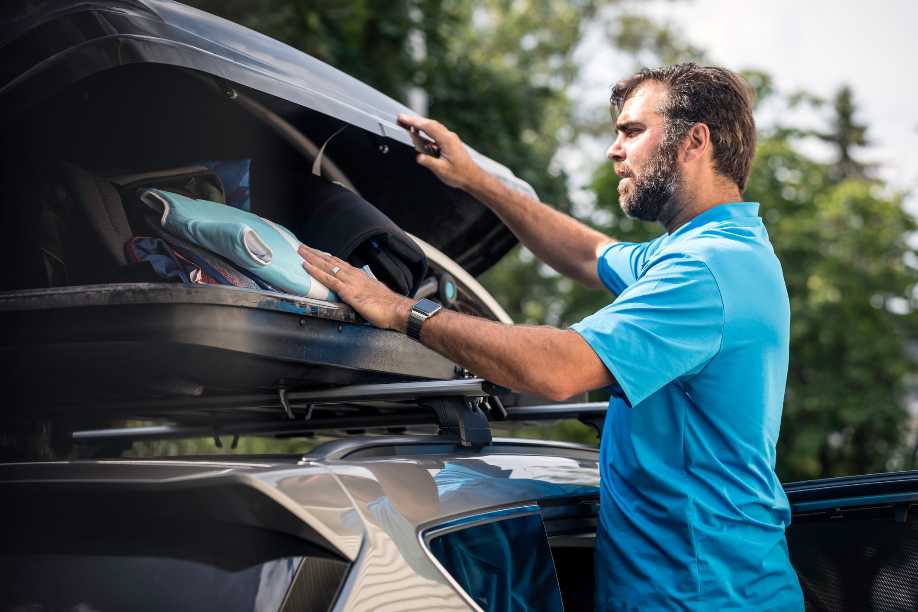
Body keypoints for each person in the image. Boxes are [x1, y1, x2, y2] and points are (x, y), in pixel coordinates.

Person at [298, 63, 804, 610]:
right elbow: (588, 252)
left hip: (707, 599)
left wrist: (405, 312)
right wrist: (476, 180)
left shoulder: (706, 272)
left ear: (695, 141)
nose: (615, 150)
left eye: (632, 131)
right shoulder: (713, 249)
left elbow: (558, 370)